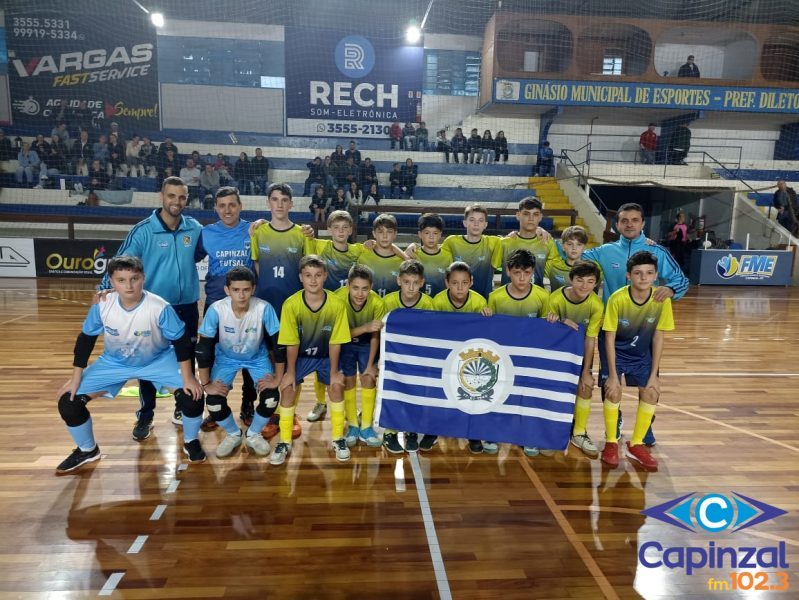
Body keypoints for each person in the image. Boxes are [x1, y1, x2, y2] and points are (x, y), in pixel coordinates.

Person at [55, 256, 203, 472]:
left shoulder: (159, 307)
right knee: (68, 402)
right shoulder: (103, 304)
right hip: (115, 362)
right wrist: (75, 378)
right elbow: (86, 339)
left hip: (158, 359)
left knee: (193, 396)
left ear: (143, 277)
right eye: (121, 280)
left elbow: (181, 341)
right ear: (112, 282)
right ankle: (87, 450)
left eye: (134, 278)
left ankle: (191, 442)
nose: (129, 285)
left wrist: (189, 378)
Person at [100, 177, 203, 437]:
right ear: (162, 196)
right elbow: (118, 263)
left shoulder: (194, 228)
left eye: (181, 197)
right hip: (152, 311)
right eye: (171, 196)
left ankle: (182, 406)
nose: (176, 202)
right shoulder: (143, 230)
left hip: (187, 306)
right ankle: (145, 415)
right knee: (148, 363)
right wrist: (104, 293)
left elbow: (206, 249)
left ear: (186, 199)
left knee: (186, 358)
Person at [582, 203, 689, 446]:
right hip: (611, 327)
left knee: (648, 381)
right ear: (617, 224)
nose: (629, 224)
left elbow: (682, 280)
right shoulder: (604, 251)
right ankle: (615, 419)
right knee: (610, 379)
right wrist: (546, 239)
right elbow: (572, 257)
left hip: (645, 329)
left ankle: (646, 428)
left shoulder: (657, 252)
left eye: (634, 220)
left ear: (642, 223)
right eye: (624, 220)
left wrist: (670, 288)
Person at [195, 267, 282, 459]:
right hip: (226, 358)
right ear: (227, 290)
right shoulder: (217, 309)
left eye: (246, 290)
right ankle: (233, 434)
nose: (241, 295)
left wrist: (278, 379)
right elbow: (203, 349)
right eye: (236, 290)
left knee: (271, 398)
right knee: (214, 402)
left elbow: (279, 346)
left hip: (257, 358)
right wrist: (206, 384)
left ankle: (253, 434)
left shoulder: (264, 308)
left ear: (253, 289)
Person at [273, 255, 352, 465]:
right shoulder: (291, 304)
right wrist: (290, 372)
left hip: (327, 356)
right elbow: (291, 342)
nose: (313, 280)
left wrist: (335, 372)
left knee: (336, 386)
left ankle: (337, 438)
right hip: (301, 356)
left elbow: (336, 342)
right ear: (301, 277)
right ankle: (284, 441)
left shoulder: (336, 304)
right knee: (288, 388)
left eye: (318, 275)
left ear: (325, 276)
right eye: (308, 276)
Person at [601, 251, 675, 470]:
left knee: (652, 392)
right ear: (628, 275)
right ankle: (611, 443)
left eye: (649, 273)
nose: (643, 278)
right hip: (615, 351)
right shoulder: (618, 299)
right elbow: (609, 336)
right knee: (613, 391)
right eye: (638, 273)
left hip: (642, 354)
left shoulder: (661, 300)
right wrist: (613, 376)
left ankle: (636, 443)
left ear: (655, 276)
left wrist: (654, 375)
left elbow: (659, 335)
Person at [194, 187, 258, 431]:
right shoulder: (206, 233)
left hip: (248, 304)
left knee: (251, 355)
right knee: (213, 356)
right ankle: (216, 407)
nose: (227, 210)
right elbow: (189, 258)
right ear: (216, 208)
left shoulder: (254, 230)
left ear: (240, 206)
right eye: (222, 206)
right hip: (215, 304)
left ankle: (248, 405)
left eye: (232, 204)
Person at [488, 249, 550, 456]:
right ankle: (493, 432)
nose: (522, 278)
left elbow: (548, 329)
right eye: (516, 272)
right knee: (498, 394)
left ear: (533, 272)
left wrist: (554, 321)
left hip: (529, 359)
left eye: (527, 272)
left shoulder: (543, 296)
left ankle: (528, 435)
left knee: (528, 396)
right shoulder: (495, 297)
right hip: (501, 357)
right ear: (507, 271)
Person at [431, 261, 493, 453]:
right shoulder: (438, 302)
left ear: (471, 282)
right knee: (440, 394)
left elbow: (486, 335)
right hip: (444, 357)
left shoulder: (479, 302)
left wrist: (488, 316)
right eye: (455, 283)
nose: (460, 287)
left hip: (469, 359)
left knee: (471, 395)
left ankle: (473, 433)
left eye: (464, 283)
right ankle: (433, 430)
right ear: (446, 282)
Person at [545, 260, 604, 458]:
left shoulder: (596, 304)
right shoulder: (556, 299)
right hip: (556, 353)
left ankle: (578, 432)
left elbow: (590, 339)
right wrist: (559, 323)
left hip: (579, 353)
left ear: (596, 284)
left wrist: (586, 371)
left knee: (586, 386)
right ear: (571, 279)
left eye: (590, 282)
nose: (584, 286)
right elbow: (545, 332)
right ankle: (550, 430)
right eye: (579, 280)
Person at [381, 259, 435, 454]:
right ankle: (390, 431)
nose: (411, 287)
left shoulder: (428, 303)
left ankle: (412, 429)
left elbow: (434, 334)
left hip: (417, 359)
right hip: (393, 358)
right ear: (398, 281)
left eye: (415, 282)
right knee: (392, 392)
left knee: (415, 392)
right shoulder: (387, 302)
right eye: (406, 282)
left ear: (422, 282)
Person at [335, 265, 385, 448]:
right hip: (345, 343)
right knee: (347, 381)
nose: (359, 293)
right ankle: (353, 426)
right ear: (348, 286)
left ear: (371, 287)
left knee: (368, 378)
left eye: (364, 288)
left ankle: (366, 427)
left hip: (367, 344)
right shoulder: (338, 299)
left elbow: (375, 335)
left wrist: (371, 364)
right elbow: (338, 335)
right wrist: (364, 327)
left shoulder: (378, 303)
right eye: (355, 288)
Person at [250, 183, 313, 316]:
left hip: (293, 299)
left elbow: (308, 268)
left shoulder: (303, 233)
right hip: (265, 299)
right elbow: (257, 262)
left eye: (284, 200)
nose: (280, 205)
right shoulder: (258, 232)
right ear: (268, 203)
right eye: (275, 199)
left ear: (291, 204)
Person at [439, 204, 502, 299]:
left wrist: (514, 234)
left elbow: (513, 240)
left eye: (480, 220)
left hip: (483, 301)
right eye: (472, 220)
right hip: (456, 299)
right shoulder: (451, 242)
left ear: (485, 225)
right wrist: (413, 247)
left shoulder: (495, 242)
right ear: (465, 223)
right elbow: (433, 253)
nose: (476, 224)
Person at [357, 214, 407, 298]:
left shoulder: (402, 262)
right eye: (380, 232)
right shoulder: (362, 257)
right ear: (374, 234)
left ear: (395, 234)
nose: (385, 236)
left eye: (389, 231)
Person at [411, 213, 452, 297]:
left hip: (440, 303)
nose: (431, 237)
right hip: (419, 303)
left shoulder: (447, 256)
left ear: (440, 234)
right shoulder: (414, 254)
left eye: (435, 233)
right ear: (419, 234)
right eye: (427, 233)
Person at [545, 225, 594, 292]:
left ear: (584, 247)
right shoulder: (552, 265)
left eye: (579, 244)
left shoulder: (592, 268)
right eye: (570, 244)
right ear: (563, 246)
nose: (574, 248)